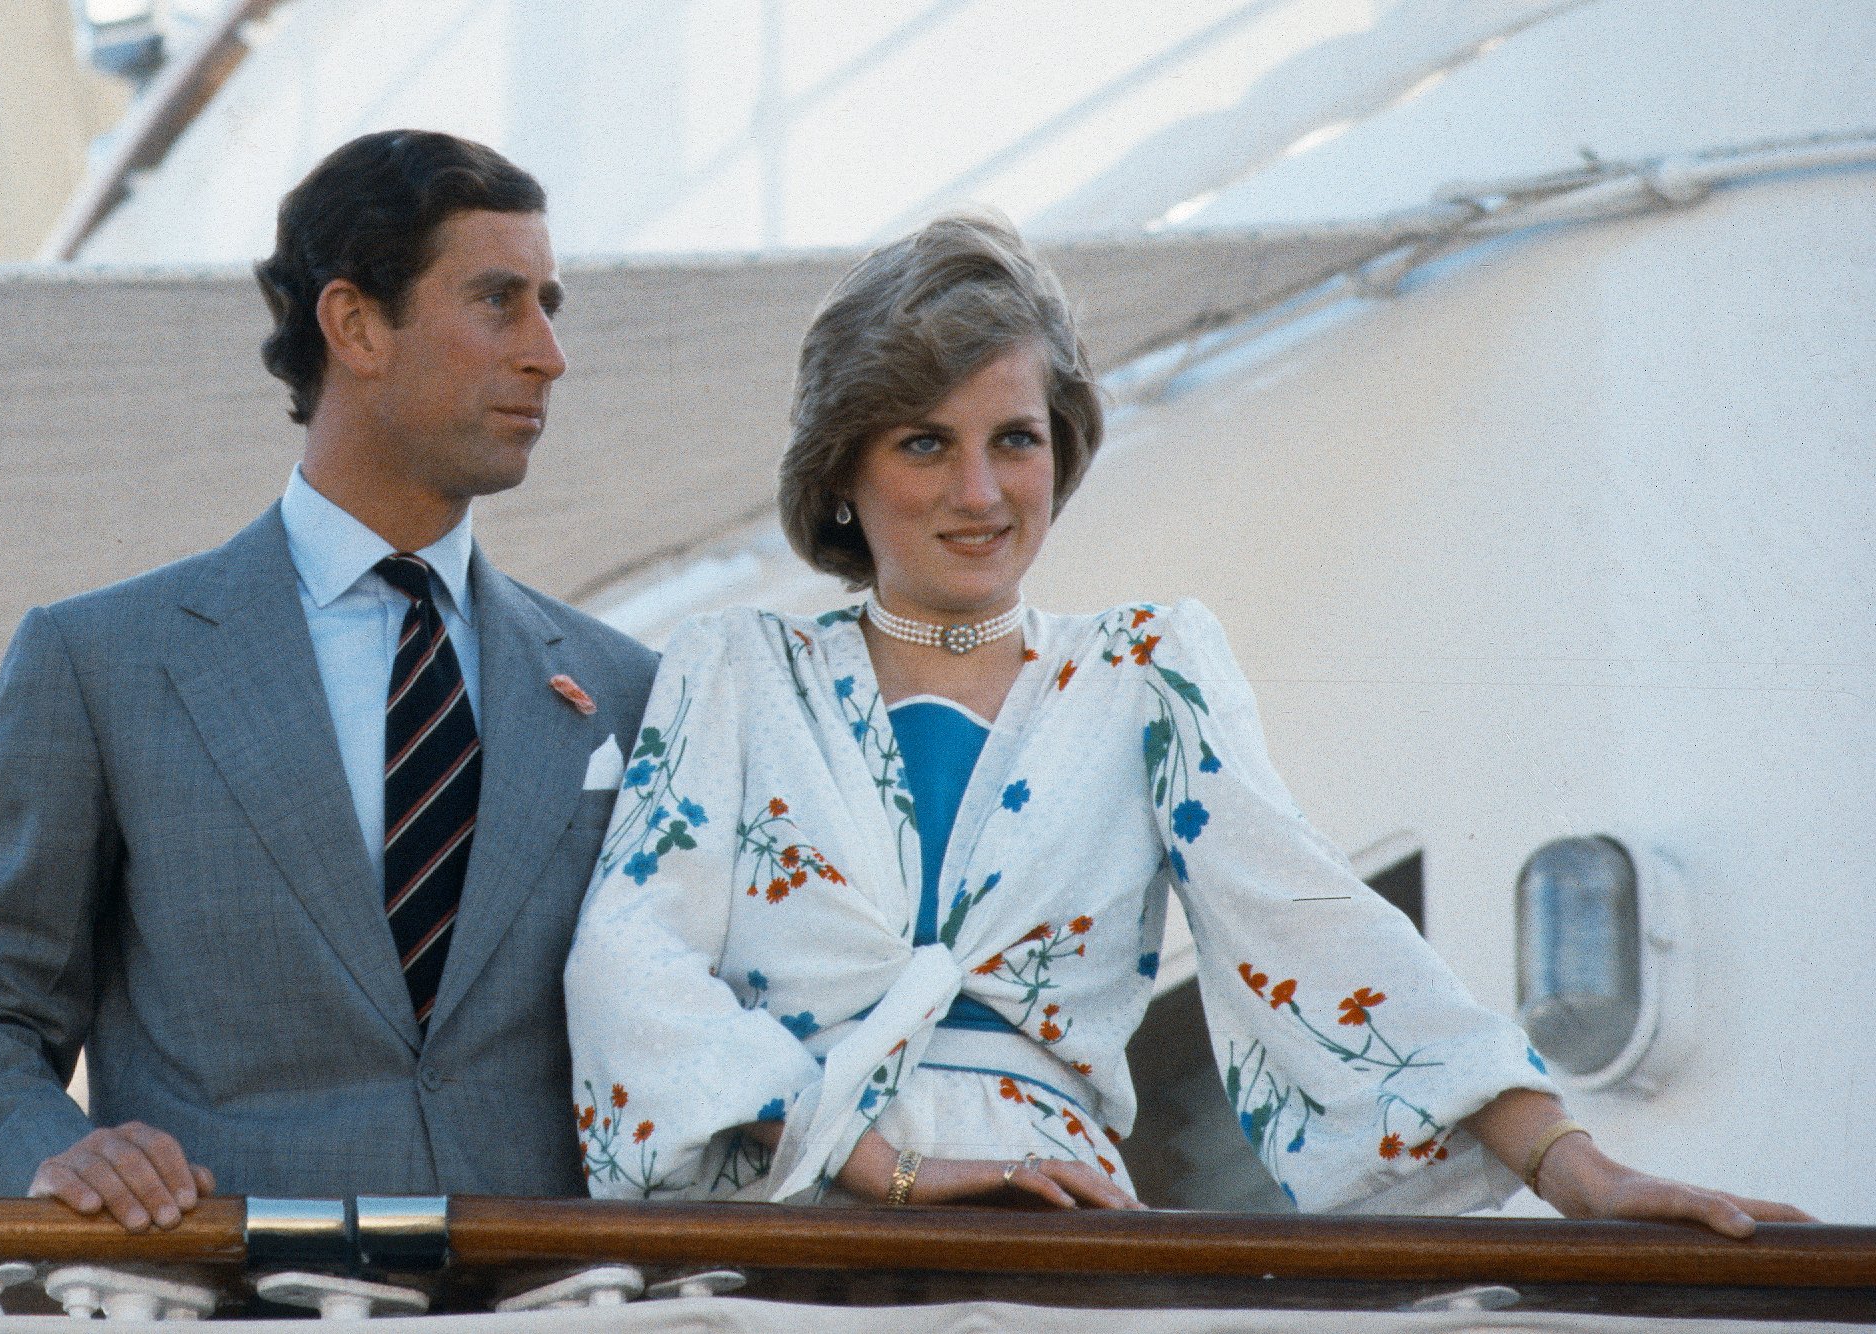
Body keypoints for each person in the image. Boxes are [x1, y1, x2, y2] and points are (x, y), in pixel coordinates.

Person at [563, 213, 1808, 1233]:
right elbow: (630, 962)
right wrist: (879, 1163)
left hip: (1049, 1225)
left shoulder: (1146, 672)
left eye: (1015, 438)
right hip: (777, 1227)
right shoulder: (735, 669)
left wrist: (1572, 1165)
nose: (981, 490)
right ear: (841, 470)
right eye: (922, 443)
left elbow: (1308, 922)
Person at [0, 130, 657, 1231]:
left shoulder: (621, 687)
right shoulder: (105, 663)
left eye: (550, 303)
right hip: (229, 1294)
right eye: (498, 300)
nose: (548, 351)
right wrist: (55, 1156)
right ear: (354, 324)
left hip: (552, 1297)